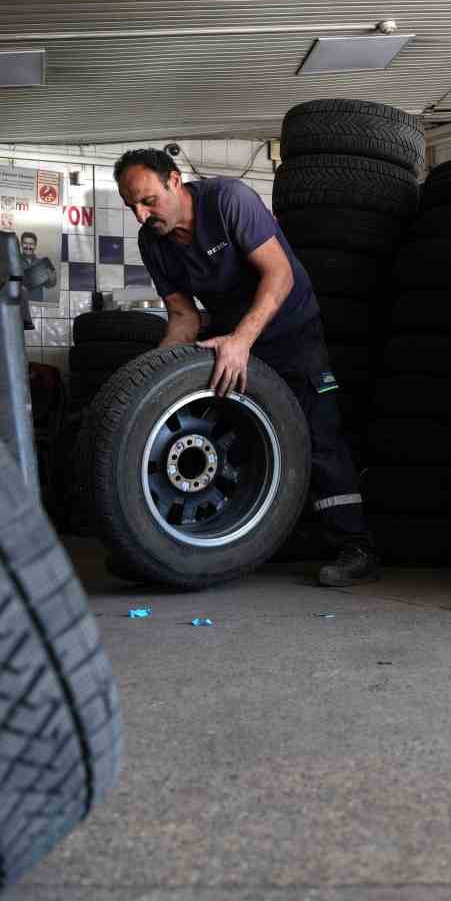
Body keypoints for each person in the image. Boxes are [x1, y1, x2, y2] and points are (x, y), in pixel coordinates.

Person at [113, 147, 378, 586]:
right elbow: (183, 319)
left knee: (319, 435)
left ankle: (357, 545)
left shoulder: (228, 200)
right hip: (231, 337)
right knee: (241, 436)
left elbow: (280, 274)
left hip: (290, 330)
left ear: (174, 181)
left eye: (148, 200)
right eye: (132, 207)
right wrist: (145, 387)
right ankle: (209, 545)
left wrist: (242, 340)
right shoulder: (153, 242)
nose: (141, 216)